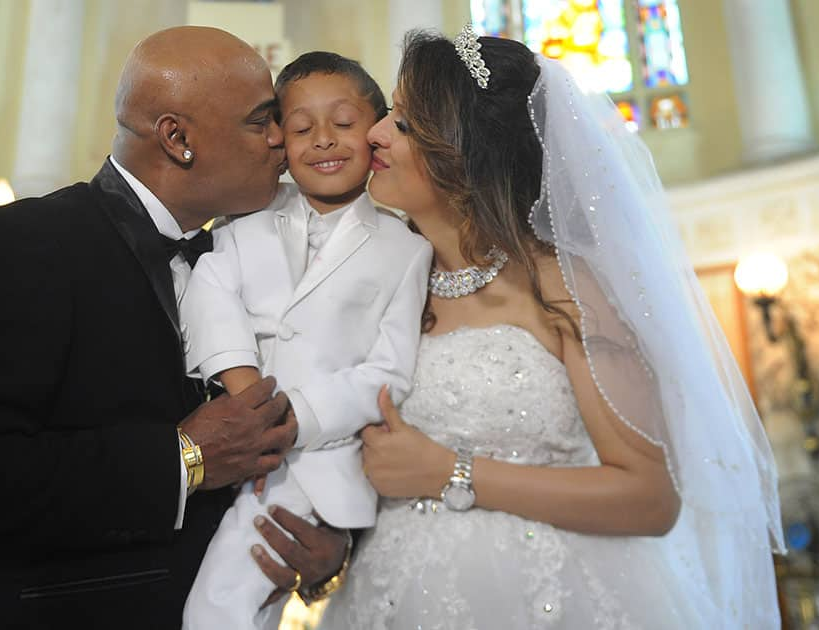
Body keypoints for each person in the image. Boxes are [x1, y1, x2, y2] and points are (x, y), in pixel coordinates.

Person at [0, 27, 348, 630]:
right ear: (178, 138)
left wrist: (326, 556)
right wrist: (181, 459)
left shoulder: (246, 256)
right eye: (262, 121)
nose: (281, 141)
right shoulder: (29, 242)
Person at [319, 27, 784, 629]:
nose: (375, 133)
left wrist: (448, 473)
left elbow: (649, 496)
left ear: (465, 152)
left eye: (404, 124)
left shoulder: (564, 286)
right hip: (390, 593)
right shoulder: (385, 278)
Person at [180, 52, 432, 630]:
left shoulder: (406, 248)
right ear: (279, 140)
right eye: (301, 128)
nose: (323, 140)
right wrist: (249, 397)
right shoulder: (247, 217)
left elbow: (389, 372)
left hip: (315, 460)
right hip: (233, 430)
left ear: (375, 132)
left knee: (223, 604)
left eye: (343, 124)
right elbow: (210, 291)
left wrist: (297, 417)